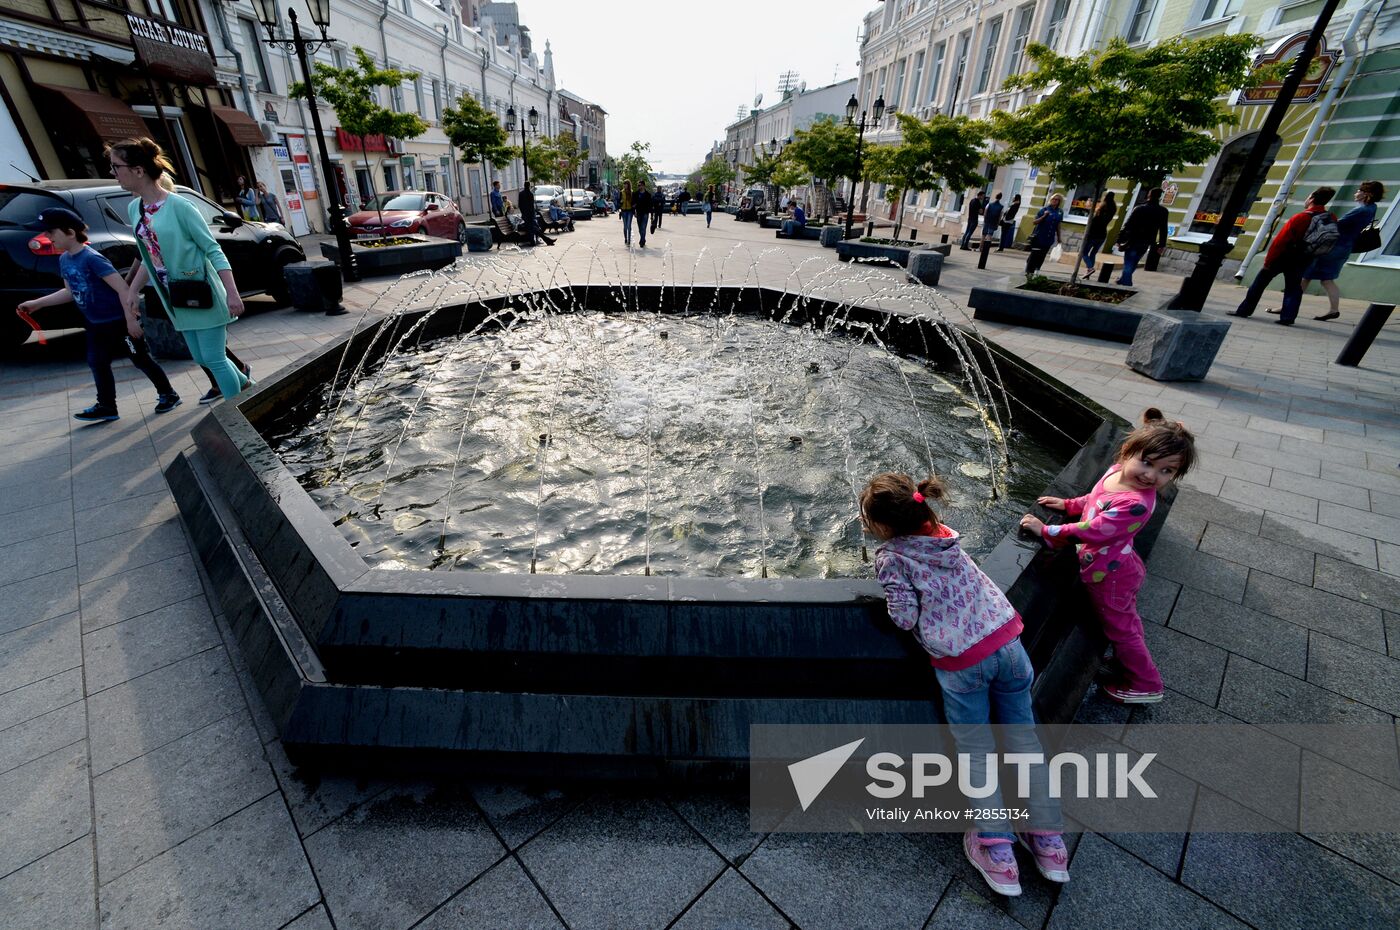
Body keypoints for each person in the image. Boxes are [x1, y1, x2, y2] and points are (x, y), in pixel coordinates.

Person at [863, 472, 1069, 898]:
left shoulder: (892, 557)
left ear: (881, 526)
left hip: (964, 663)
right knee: (1024, 741)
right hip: (1010, 645)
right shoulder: (943, 535)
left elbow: (903, 618)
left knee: (976, 752)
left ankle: (996, 849)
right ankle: (1048, 842)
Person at [1020, 408, 1196, 705]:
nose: (1152, 475)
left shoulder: (1135, 504)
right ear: (1128, 451)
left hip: (1111, 576)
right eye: (1147, 462)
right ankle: (1128, 660)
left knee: (1122, 628)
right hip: (1114, 567)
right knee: (1126, 624)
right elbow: (1095, 499)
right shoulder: (1116, 472)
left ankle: (1146, 683)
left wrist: (1047, 531)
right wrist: (1069, 504)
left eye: (1166, 471)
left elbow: (1095, 529)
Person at [112, 137, 251, 402]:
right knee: (201, 357)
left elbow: (213, 250)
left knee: (214, 358)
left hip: (202, 290)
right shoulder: (134, 208)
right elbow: (148, 255)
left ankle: (240, 416)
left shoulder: (181, 207)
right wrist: (133, 290)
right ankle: (250, 388)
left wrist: (232, 293)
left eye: (116, 166)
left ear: (138, 170)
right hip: (174, 295)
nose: (113, 172)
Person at [17, 207, 180, 422]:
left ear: (70, 232)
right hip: (95, 323)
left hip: (119, 322)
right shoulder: (65, 259)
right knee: (97, 362)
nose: (46, 237)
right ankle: (107, 406)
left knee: (140, 359)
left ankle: (168, 394)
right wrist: (38, 304)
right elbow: (70, 291)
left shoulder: (92, 258)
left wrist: (131, 319)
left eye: (50, 232)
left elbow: (123, 289)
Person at [1229, 187, 1336, 325]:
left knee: (1259, 284)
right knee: (1293, 288)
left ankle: (1244, 310)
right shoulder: (1331, 218)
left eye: (1308, 196)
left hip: (1284, 256)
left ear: (1312, 199)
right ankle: (1288, 317)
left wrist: (1269, 261)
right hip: (1305, 258)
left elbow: (1281, 241)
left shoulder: (1301, 217)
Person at [1294, 180, 1384, 321]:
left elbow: (1337, 224)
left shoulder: (1360, 210)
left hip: (1332, 248)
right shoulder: (1372, 208)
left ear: (1367, 194)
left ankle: (1288, 306)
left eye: (1359, 191)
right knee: (1327, 279)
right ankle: (1333, 310)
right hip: (1345, 248)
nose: (1356, 193)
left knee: (1306, 275)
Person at [1115, 188, 1169, 287]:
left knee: (1129, 262)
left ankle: (1127, 284)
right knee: (1134, 261)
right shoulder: (1163, 211)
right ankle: (1123, 279)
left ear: (1149, 195)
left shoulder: (1139, 208)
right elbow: (1163, 229)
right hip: (1147, 241)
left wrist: (1119, 238)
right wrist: (1162, 245)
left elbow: (1128, 224)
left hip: (1132, 240)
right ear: (1159, 197)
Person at [1024, 194, 1063, 276]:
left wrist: (1059, 237)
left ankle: (1037, 269)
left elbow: (1058, 225)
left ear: (1059, 202)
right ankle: (1028, 272)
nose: (1054, 200)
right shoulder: (1044, 210)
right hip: (1039, 236)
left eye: (1057, 199)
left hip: (1049, 238)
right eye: (1053, 199)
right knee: (1035, 254)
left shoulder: (1060, 212)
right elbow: (1034, 222)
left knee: (1042, 255)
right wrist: (1044, 216)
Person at [1082, 192, 1116, 274]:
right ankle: (1088, 272)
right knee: (1093, 254)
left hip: (1093, 235)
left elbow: (1092, 223)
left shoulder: (1100, 211)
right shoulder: (1112, 209)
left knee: (1084, 253)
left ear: (1104, 198)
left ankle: (1090, 268)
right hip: (1102, 235)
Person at [635, 182, 653, 248]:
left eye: (640, 185)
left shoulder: (648, 194)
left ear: (644, 186)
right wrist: (635, 211)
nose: (639, 187)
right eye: (638, 185)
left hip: (645, 213)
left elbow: (650, 205)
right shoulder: (636, 194)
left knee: (643, 227)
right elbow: (634, 203)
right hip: (639, 213)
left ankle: (642, 241)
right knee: (640, 229)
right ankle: (643, 238)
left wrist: (652, 215)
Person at [619, 179, 635, 246]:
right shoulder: (621, 192)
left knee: (629, 226)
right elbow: (618, 201)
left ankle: (629, 240)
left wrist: (634, 210)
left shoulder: (631, 192)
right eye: (624, 184)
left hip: (630, 211)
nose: (625, 185)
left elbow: (633, 202)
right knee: (625, 226)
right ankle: (625, 238)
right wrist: (620, 202)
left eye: (626, 184)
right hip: (623, 210)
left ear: (628, 185)